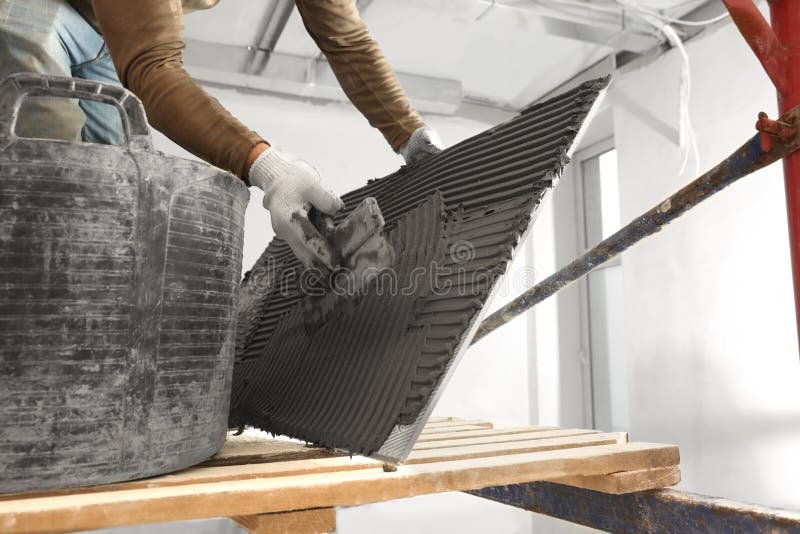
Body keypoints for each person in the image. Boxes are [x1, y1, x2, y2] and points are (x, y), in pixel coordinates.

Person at [0, 0, 444, 267]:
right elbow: (153, 68)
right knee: (53, 146)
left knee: (117, 187)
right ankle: (27, 296)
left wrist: (408, 135)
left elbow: (345, 38)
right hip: (35, 11)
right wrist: (267, 168)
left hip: (103, 25)